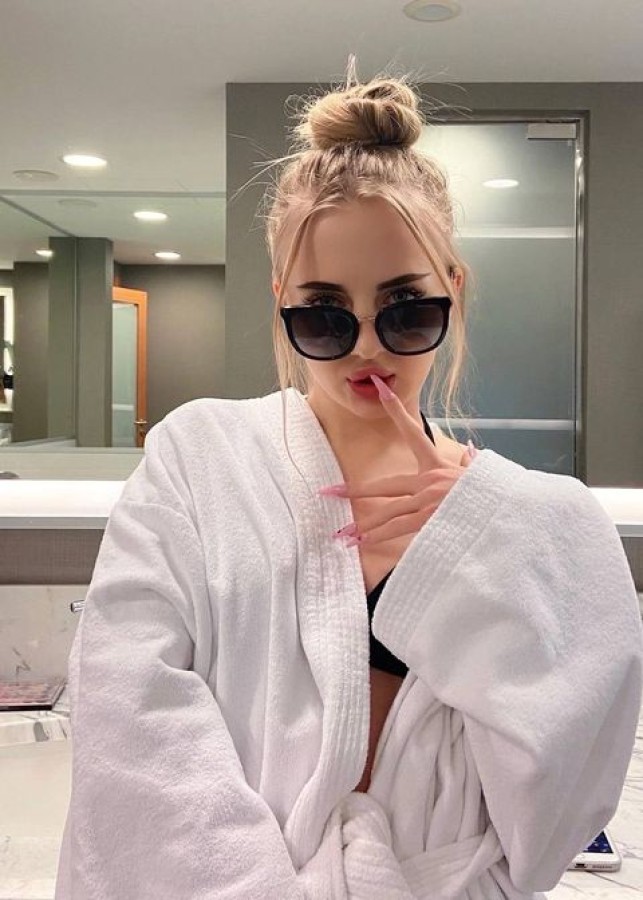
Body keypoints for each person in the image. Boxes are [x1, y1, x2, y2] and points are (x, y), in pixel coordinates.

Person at [55, 60, 643, 900]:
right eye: (325, 316)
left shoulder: (535, 517)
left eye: (406, 309)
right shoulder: (201, 458)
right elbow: (129, 716)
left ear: (453, 291)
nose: (366, 347)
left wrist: (490, 546)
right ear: (280, 302)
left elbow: (562, 800)